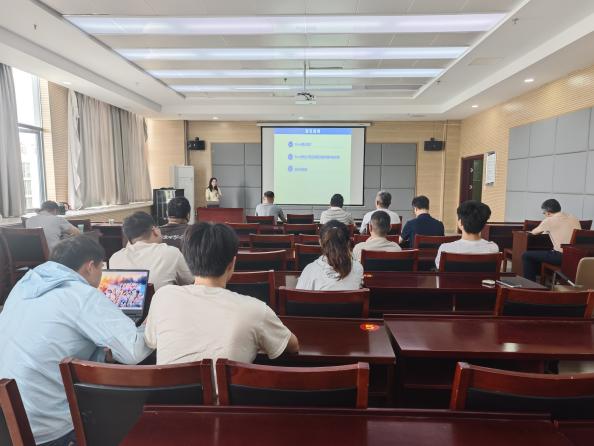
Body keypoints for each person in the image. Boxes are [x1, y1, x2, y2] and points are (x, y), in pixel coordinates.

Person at [0, 236, 151, 446]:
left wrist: (102, 354)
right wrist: (152, 322)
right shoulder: (82, 295)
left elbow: (52, 341)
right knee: (127, 414)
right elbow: (133, 351)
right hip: (49, 430)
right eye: (101, 268)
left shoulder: (24, 286)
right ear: (90, 266)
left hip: (7, 423)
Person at [144, 222, 299, 366]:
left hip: (171, 388)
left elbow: (151, 342)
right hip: (226, 389)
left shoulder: (163, 297)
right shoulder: (255, 310)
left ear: (188, 260)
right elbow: (293, 346)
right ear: (232, 264)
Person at [109, 212, 194, 290]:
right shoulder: (171, 253)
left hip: (124, 302)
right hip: (162, 301)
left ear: (129, 240)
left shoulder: (115, 258)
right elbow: (190, 281)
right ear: (154, 230)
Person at [522, 199, 581, 281]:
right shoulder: (573, 217)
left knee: (526, 255)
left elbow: (534, 232)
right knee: (544, 253)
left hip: (561, 257)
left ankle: (530, 284)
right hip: (577, 256)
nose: (544, 215)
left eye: (544, 213)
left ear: (548, 212)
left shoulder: (549, 220)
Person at [297, 220, 363, 290]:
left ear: (320, 242)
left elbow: (299, 295)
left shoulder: (310, 270)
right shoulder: (358, 268)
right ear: (348, 243)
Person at [435, 200, 499, 268]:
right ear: (483, 225)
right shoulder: (493, 248)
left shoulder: (445, 249)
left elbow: (439, 269)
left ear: (460, 223)